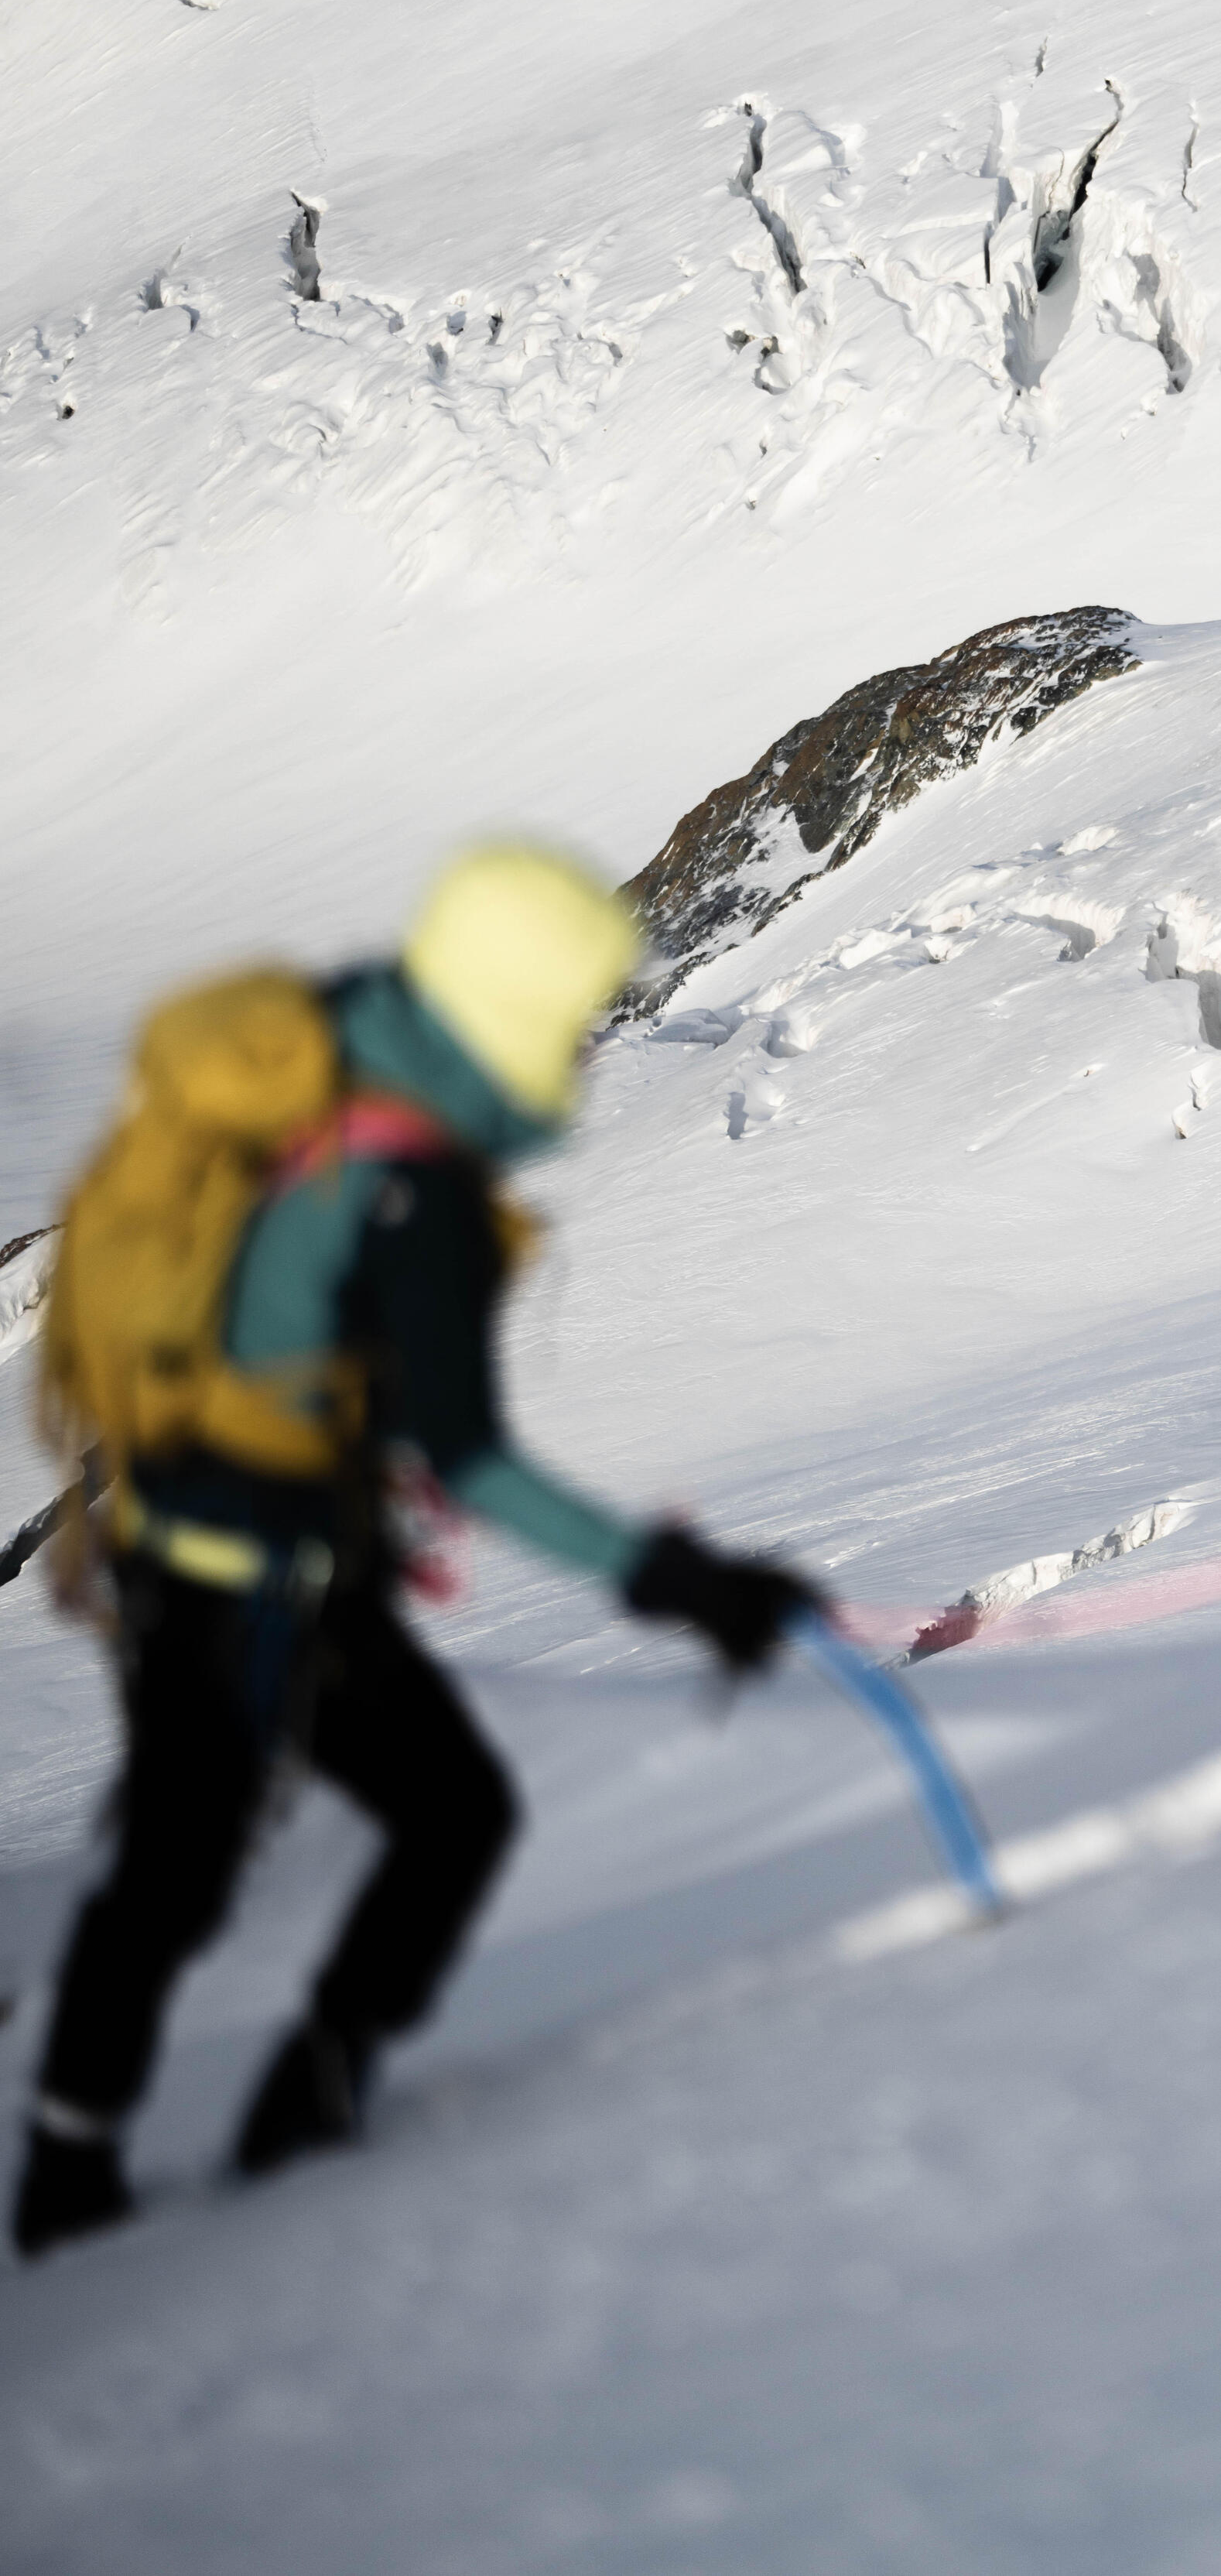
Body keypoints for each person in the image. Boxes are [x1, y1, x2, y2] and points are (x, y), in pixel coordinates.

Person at [14, 845, 823, 2257]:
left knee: (196, 1854)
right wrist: (681, 1584)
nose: (581, 1044)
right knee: (356, 1831)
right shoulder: (417, 1190)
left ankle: (98, 2153)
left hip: (177, 1540)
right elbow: (470, 1457)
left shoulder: (336, 1050)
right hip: (258, 1583)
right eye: (573, 1014)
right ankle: (229, 2140)